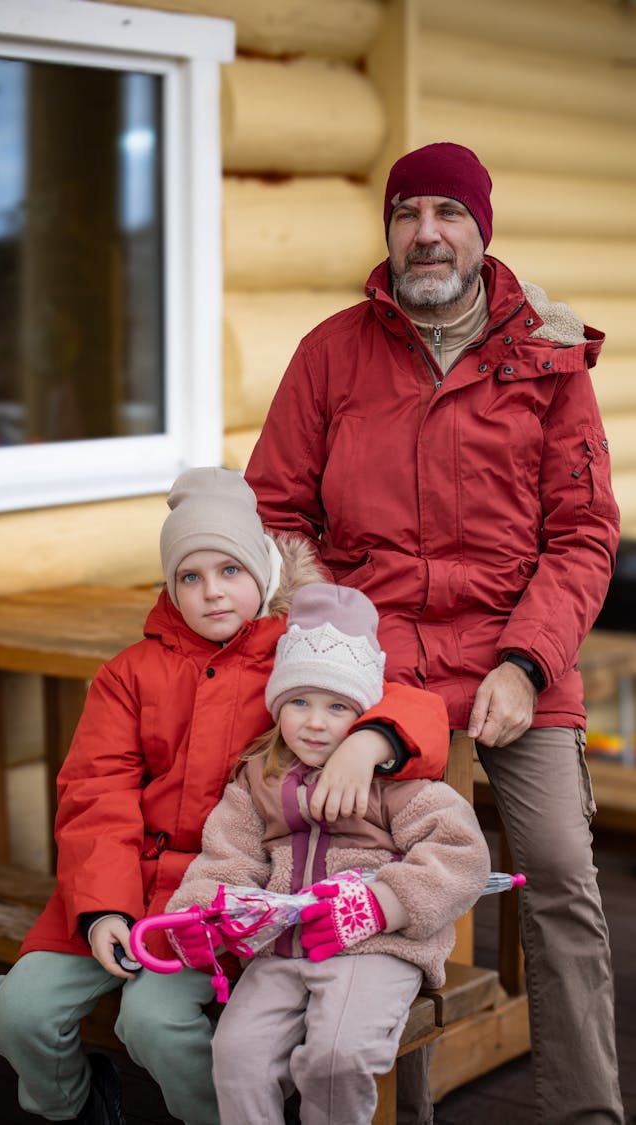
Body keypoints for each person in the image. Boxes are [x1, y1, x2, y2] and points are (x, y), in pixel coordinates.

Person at [244, 141, 624, 1124]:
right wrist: (335, 640)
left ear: (480, 231)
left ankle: (584, 1112)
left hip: (513, 660)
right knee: (331, 851)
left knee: (560, 876)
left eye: (448, 214)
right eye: (408, 212)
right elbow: (277, 508)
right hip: (375, 669)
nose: (427, 233)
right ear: (388, 231)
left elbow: (584, 532)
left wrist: (528, 662)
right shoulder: (331, 352)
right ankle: (333, 1070)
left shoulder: (546, 352)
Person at [0, 467, 450, 1125]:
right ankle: (79, 1102)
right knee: (20, 1009)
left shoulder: (298, 659)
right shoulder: (130, 674)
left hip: (221, 894)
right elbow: (96, 793)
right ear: (171, 587)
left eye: (229, 570)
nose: (211, 592)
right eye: (190, 576)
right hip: (116, 885)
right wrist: (100, 910)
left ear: (262, 570)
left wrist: (371, 739)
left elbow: (417, 706)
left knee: (153, 1020)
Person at [164, 582, 491, 1125]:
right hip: (281, 950)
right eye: (299, 703)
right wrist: (205, 910)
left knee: (337, 1058)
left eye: (336, 706)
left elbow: (460, 855)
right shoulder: (259, 778)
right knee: (236, 1055)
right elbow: (228, 855)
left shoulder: (394, 782)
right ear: (278, 706)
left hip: (374, 949)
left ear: (363, 712)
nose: (314, 723)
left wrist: (383, 904)